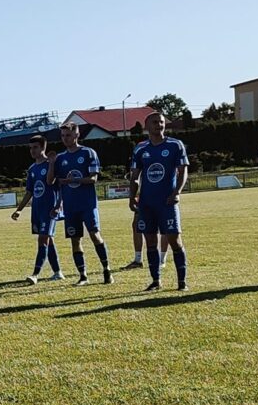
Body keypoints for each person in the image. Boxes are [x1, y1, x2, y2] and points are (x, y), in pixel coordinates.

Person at [128, 112, 190, 291]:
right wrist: (132, 198)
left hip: (167, 202)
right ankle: (156, 281)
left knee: (175, 240)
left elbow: (182, 171)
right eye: (155, 122)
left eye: (161, 122)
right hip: (147, 204)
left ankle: (182, 282)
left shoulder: (175, 145)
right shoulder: (140, 149)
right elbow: (135, 176)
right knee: (151, 242)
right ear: (147, 125)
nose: (159, 125)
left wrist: (177, 192)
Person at [48, 122, 113, 285]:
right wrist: (51, 163)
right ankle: (83, 276)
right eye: (62, 136)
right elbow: (51, 181)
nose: (65, 139)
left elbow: (93, 178)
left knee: (95, 235)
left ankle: (107, 270)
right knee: (75, 240)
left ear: (77, 135)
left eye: (68, 135)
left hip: (87, 204)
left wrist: (73, 180)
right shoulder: (60, 158)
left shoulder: (88, 153)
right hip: (70, 207)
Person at [11, 135, 64, 283]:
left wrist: (59, 204)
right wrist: (19, 210)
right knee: (49, 240)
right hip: (37, 210)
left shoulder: (51, 163)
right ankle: (58, 272)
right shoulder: (32, 169)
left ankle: (35, 274)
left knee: (43, 240)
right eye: (30, 148)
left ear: (43, 147)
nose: (32, 151)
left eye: (35, 147)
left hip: (50, 209)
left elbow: (59, 186)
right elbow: (29, 192)